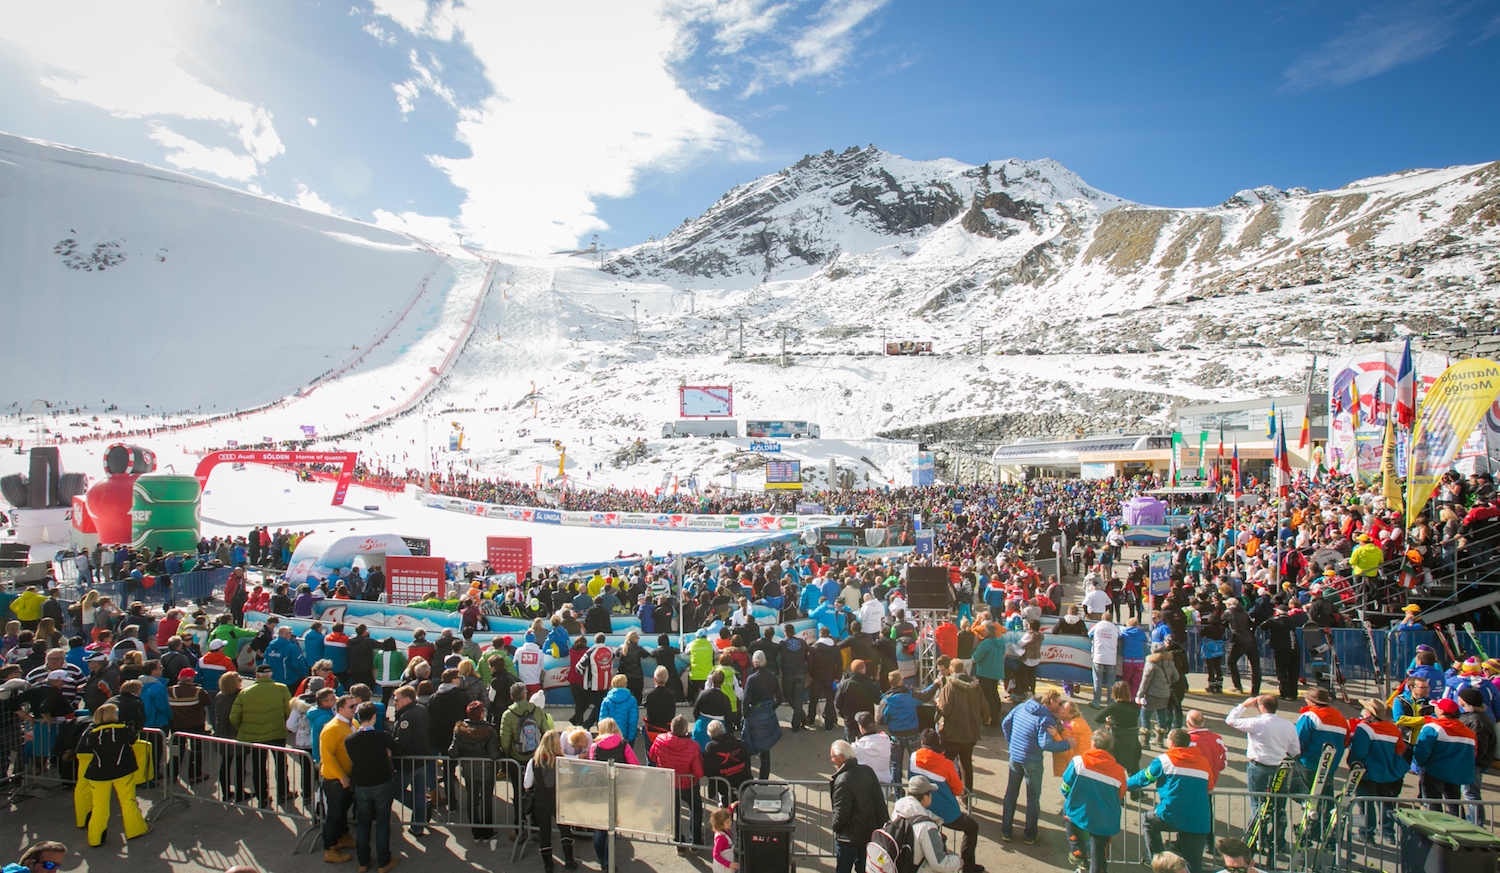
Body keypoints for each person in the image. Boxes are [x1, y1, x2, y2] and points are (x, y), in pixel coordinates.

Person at [1127, 729, 1217, 873]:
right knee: (1193, 866)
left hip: (1171, 814)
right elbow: (1210, 786)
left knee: (1148, 820)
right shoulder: (1203, 762)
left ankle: (1158, 862)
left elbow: (1143, 778)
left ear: (1172, 743)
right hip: (1198, 820)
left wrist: (1121, 785)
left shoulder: (1164, 760)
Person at [1224, 695, 1300, 858]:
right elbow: (1295, 750)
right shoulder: (1288, 725)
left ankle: (1257, 838)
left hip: (1259, 768)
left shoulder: (1256, 722)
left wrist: (1244, 705)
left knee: (1258, 806)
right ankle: (1278, 840)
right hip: (1281, 769)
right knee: (1279, 806)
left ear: (1262, 707)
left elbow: (1231, 720)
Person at [1000, 688, 1071, 844]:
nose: (1060, 706)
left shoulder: (1022, 706)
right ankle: (1030, 835)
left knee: (1011, 794)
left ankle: (1006, 831)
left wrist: (1012, 744)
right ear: (1050, 701)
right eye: (1058, 702)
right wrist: (1067, 744)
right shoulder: (1046, 719)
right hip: (1032, 761)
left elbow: (1005, 723)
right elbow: (1045, 744)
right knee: (1033, 798)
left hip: (1015, 757)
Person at [909, 729, 982, 873]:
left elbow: (912, 781)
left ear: (922, 742)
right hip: (946, 813)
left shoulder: (913, 758)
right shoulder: (946, 764)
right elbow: (957, 790)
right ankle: (968, 867)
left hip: (921, 810)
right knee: (972, 827)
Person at [77, 702, 150, 847]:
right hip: (122, 770)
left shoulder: (92, 733)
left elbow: (87, 746)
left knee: (99, 806)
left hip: (98, 773)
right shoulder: (123, 730)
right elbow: (133, 739)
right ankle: (135, 830)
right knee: (128, 801)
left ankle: (95, 838)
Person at [1060, 727, 1127, 873]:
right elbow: (1120, 794)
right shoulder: (1119, 770)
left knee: (1066, 812)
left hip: (1080, 812)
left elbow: (1065, 787)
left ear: (1093, 744)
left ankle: (1078, 853)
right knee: (1098, 856)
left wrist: (1072, 798)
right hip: (1106, 819)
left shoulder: (1079, 762)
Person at [345, 701, 400, 873]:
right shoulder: (382, 737)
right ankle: (383, 861)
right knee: (382, 822)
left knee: (363, 823)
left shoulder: (350, 740)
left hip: (361, 784)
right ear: (374, 717)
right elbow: (396, 748)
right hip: (381, 782)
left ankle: (363, 861)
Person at [1348, 698, 1406, 843]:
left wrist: (1352, 764)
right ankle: (1388, 833)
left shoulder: (1365, 728)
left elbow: (1359, 753)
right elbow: (1400, 749)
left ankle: (1366, 833)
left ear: (1368, 713)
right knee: (1386, 803)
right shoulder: (1393, 729)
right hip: (1388, 771)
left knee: (1365, 803)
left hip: (1367, 772)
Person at [829, 739, 887, 873]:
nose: (831, 760)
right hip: (869, 833)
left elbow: (841, 814)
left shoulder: (842, 780)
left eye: (833, 756)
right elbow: (879, 802)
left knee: (844, 868)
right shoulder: (867, 771)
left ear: (842, 758)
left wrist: (836, 827)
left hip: (849, 837)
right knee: (865, 868)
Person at [525, 730, 579, 872]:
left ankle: (548, 865)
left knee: (545, 832)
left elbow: (527, 784)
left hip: (541, 802)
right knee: (565, 830)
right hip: (560, 800)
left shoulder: (534, 761)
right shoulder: (562, 760)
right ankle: (569, 860)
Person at [1414, 696, 1476, 817]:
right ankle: (1459, 830)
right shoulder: (1469, 732)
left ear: (1441, 711)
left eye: (1437, 706)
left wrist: (1419, 764)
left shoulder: (1432, 728)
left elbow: (1421, 752)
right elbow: (1473, 754)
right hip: (1456, 773)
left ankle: (1436, 831)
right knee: (1454, 803)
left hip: (1433, 771)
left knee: (1433, 803)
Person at [651, 715, 705, 853]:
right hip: (688, 785)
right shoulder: (693, 746)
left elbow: (652, 756)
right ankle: (695, 841)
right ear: (686, 730)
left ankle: (679, 842)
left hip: (667, 783)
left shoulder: (660, 740)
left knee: (673, 813)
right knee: (696, 810)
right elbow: (698, 772)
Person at [449, 699, 502, 841]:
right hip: (487, 771)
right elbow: (494, 754)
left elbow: (452, 752)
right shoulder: (489, 730)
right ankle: (487, 831)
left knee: (472, 799)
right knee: (486, 800)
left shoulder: (460, 730)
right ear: (481, 714)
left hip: (469, 770)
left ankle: (476, 832)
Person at [388, 685, 435, 837]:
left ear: (407, 699)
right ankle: (418, 825)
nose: (395, 703)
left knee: (396, 791)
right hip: (421, 758)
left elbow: (401, 742)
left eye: (397, 700)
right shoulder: (420, 709)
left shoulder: (406, 716)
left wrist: (390, 747)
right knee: (419, 792)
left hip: (408, 762)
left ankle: (420, 811)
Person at [318, 695, 359, 863]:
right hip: (335, 779)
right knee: (334, 814)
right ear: (340, 709)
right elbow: (326, 756)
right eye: (351, 707)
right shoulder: (332, 728)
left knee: (343, 810)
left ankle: (343, 836)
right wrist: (341, 776)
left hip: (349, 776)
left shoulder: (353, 724)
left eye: (355, 705)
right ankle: (330, 847)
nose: (354, 709)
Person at [895, 775, 963, 873]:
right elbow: (939, 864)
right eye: (930, 793)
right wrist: (958, 861)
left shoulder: (898, 809)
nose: (931, 796)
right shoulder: (927, 826)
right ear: (925, 798)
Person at [935, 662, 987, 787]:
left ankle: (945, 791)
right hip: (970, 733)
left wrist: (937, 703)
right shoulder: (976, 687)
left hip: (952, 734)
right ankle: (967, 795)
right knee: (966, 765)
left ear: (951, 671)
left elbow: (944, 709)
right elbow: (985, 708)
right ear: (963, 669)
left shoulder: (950, 687)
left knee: (945, 765)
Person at [1458, 686, 1496, 825]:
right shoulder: (1473, 717)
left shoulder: (1476, 721)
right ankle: (1473, 821)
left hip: (1473, 764)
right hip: (1471, 763)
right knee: (1469, 793)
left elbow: (1479, 746)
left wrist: (1470, 762)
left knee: (1471, 794)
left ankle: (1477, 824)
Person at [878, 671, 924, 783]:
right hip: (912, 734)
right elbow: (925, 696)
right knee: (915, 763)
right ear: (900, 681)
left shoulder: (886, 700)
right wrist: (935, 684)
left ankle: (898, 793)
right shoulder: (910, 695)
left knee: (895, 764)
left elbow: (881, 720)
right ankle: (914, 789)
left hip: (895, 735)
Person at [970, 624, 1005, 727]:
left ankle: (993, 718)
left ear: (987, 632)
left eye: (984, 631)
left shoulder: (985, 644)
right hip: (997, 671)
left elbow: (976, 657)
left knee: (987, 696)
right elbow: (1003, 652)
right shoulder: (1001, 642)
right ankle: (997, 712)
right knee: (994, 692)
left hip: (985, 672)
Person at [1224, 599, 1260, 695]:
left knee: (1231, 661)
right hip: (1250, 639)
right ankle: (1255, 690)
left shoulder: (1229, 612)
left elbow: (1221, 622)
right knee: (1255, 665)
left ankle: (1237, 685)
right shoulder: (1244, 612)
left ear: (1230, 605)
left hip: (1239, 639)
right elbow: (1250, 624)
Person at [778, 624, 809, 731]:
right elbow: (808, 653)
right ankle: (799, 721)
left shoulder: (782, 643)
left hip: (788, 673)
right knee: (798, 698)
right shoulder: (802, 642)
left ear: (785, 632)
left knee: (787, 695)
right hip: (801, 672)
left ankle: (802, 717)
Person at [1088, 615, 1120, 709]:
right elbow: (1121, 636)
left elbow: (1089, 634)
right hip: (1111, 658)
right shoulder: (1115, 629)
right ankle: (1110, 703)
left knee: (1097, 681)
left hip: (1098, 657)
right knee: (1111, 682)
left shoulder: (1097, 627)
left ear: (1102, 618)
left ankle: (1096, 702)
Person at [710, 806, 738, 873]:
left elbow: (726, 815)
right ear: (721, 825)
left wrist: (731, 807)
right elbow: (715, 854)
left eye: (730, 820)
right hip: (722, 868)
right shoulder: (720, 838)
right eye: (727, 822)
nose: (730, 823)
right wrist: (728, 864)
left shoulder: (721, 829)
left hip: (726, 864)